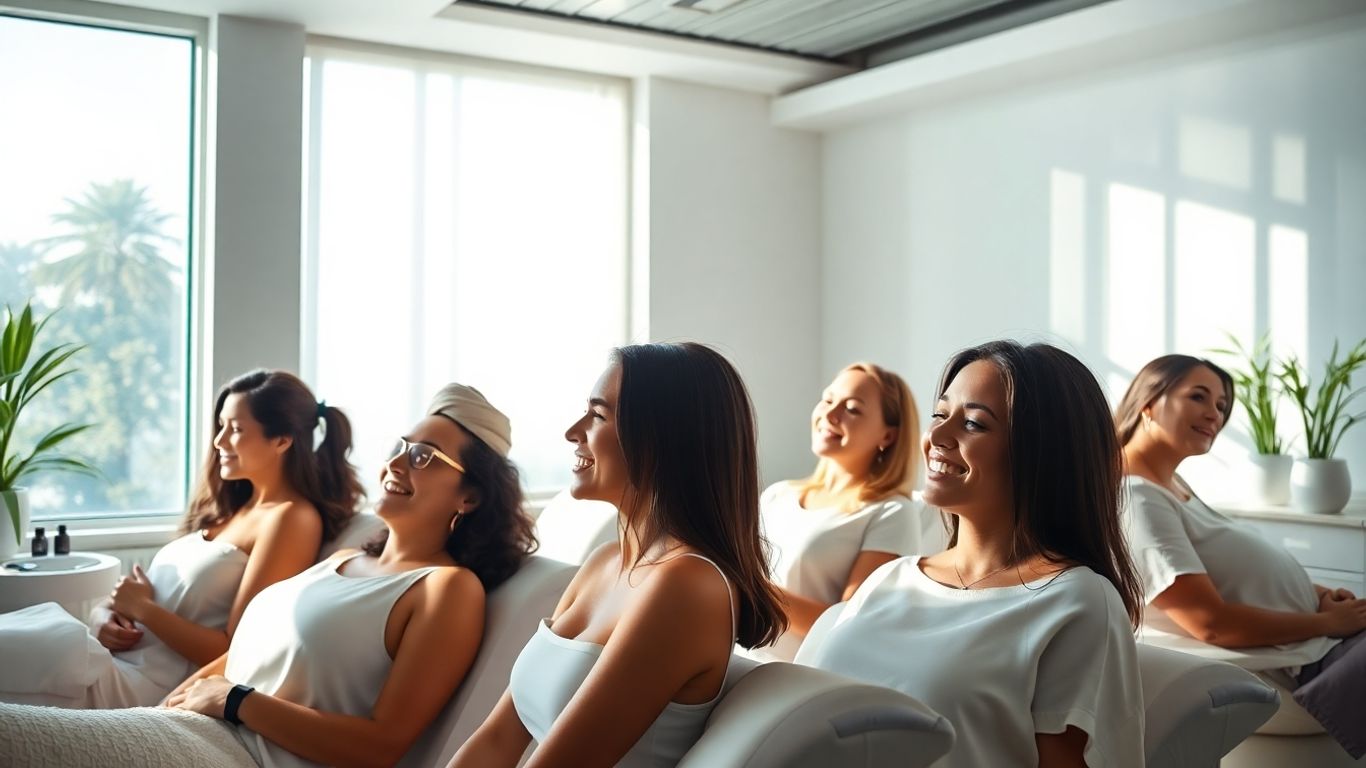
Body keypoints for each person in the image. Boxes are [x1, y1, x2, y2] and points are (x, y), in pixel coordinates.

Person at [0, 383, 538, 768]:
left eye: (424, 456)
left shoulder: (446, 589)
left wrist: (234, 701)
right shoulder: (342, 560)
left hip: (244, 751)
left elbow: (382, 747)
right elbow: (238, 653)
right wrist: (162, 709)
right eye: (399, 447)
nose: (397, 463)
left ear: (470, 495)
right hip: (189, 728)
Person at [796, 341, 1145, 768]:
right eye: (941, 414)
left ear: (1043, 451)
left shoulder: (1077, 601)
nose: (936, 438)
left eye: (975, 424)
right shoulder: (890, 579)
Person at [450, 342, 786, 768]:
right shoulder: (603, 564)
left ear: (662, 437)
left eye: (598, 415)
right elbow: (496, 740)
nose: (573, 431)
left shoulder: (688, 585)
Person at [0, 369, 363, 708]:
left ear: (282, 440)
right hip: (111, 657)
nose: (219, 441)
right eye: (220, 426)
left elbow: (239, 646)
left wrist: (142, 610)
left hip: (146, 684)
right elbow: (145, 599)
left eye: (235, 428)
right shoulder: (229, 511)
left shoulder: (291, 518)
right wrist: (105, 616)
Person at [1117, 354, 1366, 759]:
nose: (1214, 414)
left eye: (1220, 405)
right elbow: (1209, 623)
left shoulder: (1170, 484)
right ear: (1148, 402)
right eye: (1199, 397)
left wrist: (1317, 594)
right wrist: (1326, 621)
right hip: (1295, 664)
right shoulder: (1137, 498)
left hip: (1312, 645)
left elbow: (1229, 576)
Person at [757, 361, 942, 661]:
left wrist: (752, 590)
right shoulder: (776, 496)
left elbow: (848, 626)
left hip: (795, 680)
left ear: (888, 436)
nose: (829, 415)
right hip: (738, 661)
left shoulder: (891, 512)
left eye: (853, 409)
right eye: (828, 399)